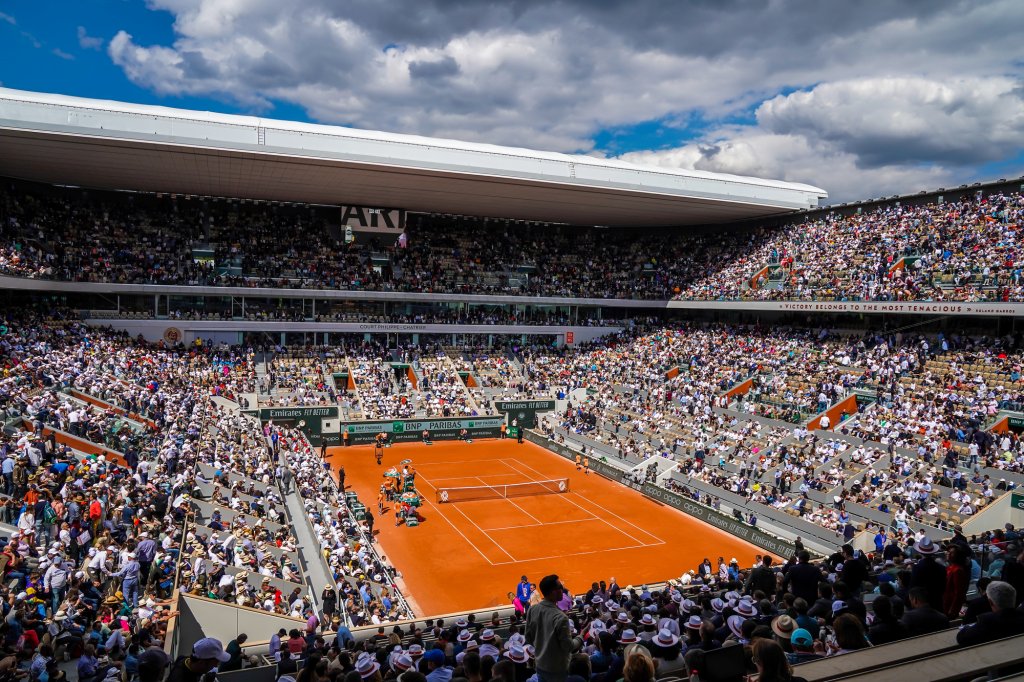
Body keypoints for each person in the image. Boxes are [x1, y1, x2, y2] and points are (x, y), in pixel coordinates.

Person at [525, 575, 572, 682]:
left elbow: (528, 637)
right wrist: (580, 638)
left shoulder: (532, 610)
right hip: (558, 670)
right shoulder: (561, 617)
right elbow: (568, 647)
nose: (562, 589)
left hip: (540, 665)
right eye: (560, 587)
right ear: (553, 592)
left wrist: (542, 648)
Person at [956, 581, 1024, 646]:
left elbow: (961, 638)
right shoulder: (1021, 616)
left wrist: (967, 627)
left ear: (990, 602)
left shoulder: (987, 621)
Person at [166, 638, 231, 682]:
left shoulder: (185, 659)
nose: (216, 666)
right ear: (201, 662)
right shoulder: (179, 679)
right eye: (215, 662)